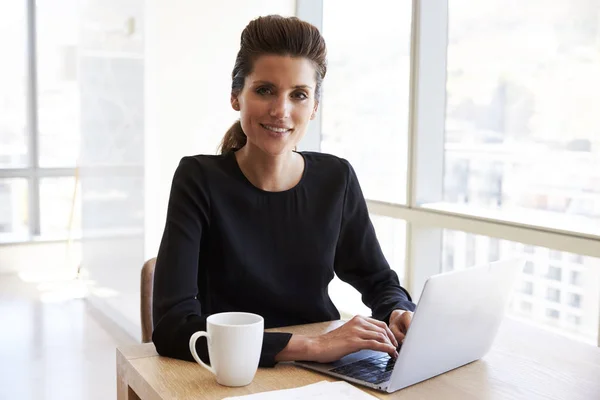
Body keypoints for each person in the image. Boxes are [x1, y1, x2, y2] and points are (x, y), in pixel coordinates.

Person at [152, 15, 416, 368]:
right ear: (236, 96)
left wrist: (398, 309)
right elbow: (172, 327)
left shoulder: (336, 178)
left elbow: (379, 279)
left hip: (326, 372)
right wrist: (312, 346)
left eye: (299, 95)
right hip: (234, 373)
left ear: (315, 107)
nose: (281, 111)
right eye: (264, 90)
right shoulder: (198, 179)